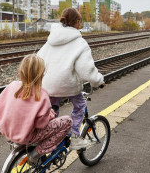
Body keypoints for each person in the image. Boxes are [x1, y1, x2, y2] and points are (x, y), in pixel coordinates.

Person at [37, 8, 105, 150]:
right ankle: (74, 136)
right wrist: (98, 81)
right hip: (67, 84)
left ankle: (50, 136)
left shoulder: (51, 40)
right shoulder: (79, 42)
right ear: (76, 22)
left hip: (48, 84)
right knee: (80, 105)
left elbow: (38, 59)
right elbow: (86, 70)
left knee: (52, 110)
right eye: (79, 21)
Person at [0, 54, 73, 164]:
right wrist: (50, 115)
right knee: (67, 121)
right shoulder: (41, 94)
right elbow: (41, 125)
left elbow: (2, 104)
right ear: (40, 74)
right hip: (28, 136)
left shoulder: (11, 86)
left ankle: (24, 146)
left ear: (21, 70)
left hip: (9, 133)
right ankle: (37, 153)